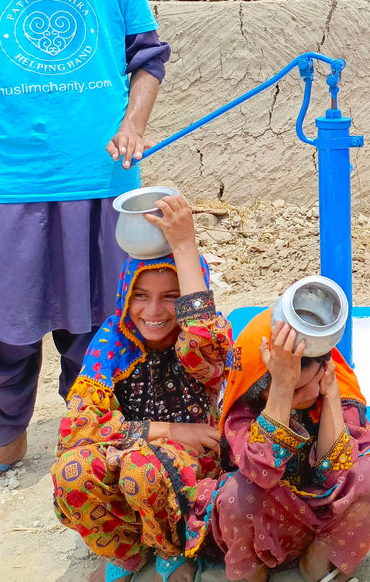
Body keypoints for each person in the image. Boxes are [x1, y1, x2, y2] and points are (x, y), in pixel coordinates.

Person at [0, 0, 170, 486]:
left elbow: (148, 56)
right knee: (2, 325)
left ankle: (87, 438)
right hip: (3, 179)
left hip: (99, 176)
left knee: (96, 321)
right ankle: (2, 440)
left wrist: (134, 122)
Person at [52, 194, 231, 582]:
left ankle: (173, 550)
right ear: (123, 295)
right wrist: (166, 430)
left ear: (186, 299)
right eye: (140, 296)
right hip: (133, 459)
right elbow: (77, 431)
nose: (153, 313)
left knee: (142, 467)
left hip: (191, 466)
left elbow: (203, 337)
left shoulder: (198, 343)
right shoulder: (112, 342)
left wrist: (184, 246)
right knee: (72, 471)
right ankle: (127, 551)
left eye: (170, 297)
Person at [208, 309, 370, 582]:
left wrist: (330, 392)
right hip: (267, 523)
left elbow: (334, 474)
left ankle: (318, 565)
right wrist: (283, 387)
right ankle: (255, 576)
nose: (308, 394)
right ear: (259, 388)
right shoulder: (245, 411)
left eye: (311, 382)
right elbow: (261, 472)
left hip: (324, 524)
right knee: (237, 492)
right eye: (293, 389)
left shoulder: (337, 393)